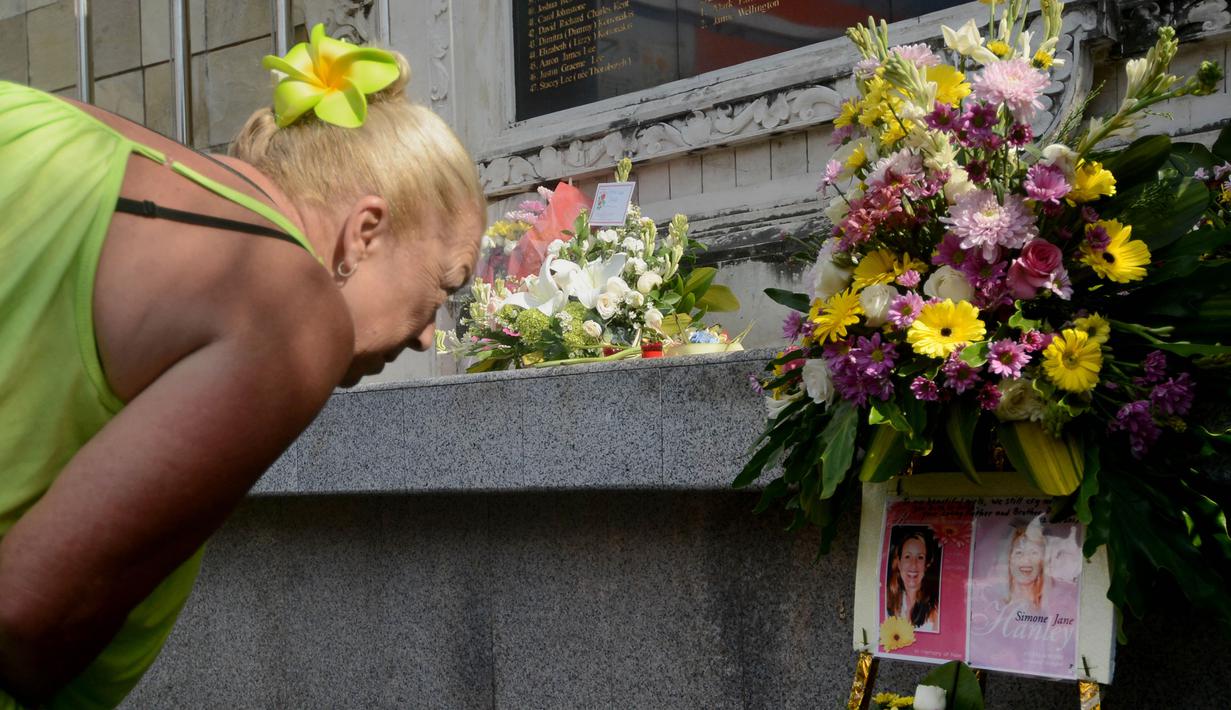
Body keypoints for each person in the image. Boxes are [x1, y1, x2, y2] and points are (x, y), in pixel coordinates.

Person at [0, 25, 483, 709]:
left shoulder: (63, 128)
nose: (428, 337)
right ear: (364, 230)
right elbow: (28, 625)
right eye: (444, 283)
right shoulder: (288, 309)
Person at [884, 526, 940, 631]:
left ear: (926, 565)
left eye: (920, 557)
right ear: (899, 563)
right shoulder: (887, 601)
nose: (913, 565)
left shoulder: (936, 609)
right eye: (907, 557)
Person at [1003, 518, 1047, 612]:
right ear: (1009, 558)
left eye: (1034, 552)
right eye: (1019, 552)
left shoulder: (1051, 604)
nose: (1026, 559)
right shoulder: (996, 604)